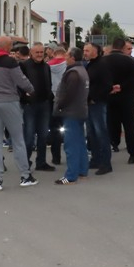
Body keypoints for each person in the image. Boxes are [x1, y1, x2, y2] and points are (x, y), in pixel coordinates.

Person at [0, 35, 38, 191]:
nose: (11, 49)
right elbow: (21, 80)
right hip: (9, 102)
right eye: (11, 46)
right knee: (18, 140)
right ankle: (25, 176)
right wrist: (31, 90)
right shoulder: (10, 62)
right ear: (5, 47)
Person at [53, 47, 89, 185]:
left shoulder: (73, 73)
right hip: (80, 110)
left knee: (71, 144)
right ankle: (82, 169)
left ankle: (71, 175)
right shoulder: (82, 70)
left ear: (73, 57)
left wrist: (60, 105)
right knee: (79, 142)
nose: (65, 58)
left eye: (67, 55)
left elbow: (69, 93)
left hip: (71, 112)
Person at [105, 38, 134, 164]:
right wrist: (123, 87)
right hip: (127, 97)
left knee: (112, 123)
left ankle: (113, 144)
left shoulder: (104, 60)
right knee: (129, 126)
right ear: (122, 48)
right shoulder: (129, 60)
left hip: (110, 97)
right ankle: (133, 154)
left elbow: (100, 78)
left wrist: (110, 88)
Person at [20, 42, 56, 172]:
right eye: (37, 52)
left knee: (43, 136)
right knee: (29, 137)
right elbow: (19, 85)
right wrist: (25, 98)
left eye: (42, 52)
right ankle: (25, 163)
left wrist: (49, 97)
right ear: (31, 53)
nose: (40, 55)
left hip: (44, 104)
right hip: (30, 106)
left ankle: (41, 162)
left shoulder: (46, 67)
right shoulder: (23, 66)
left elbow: (49, 83)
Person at [84, 42, 112, 175]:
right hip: (89, 104)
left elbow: (107, 85)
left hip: (97, 104)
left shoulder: (102, 65)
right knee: (92, 133)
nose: (85, 53)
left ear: (95, 51)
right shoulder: (90, 64)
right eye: (84, 50)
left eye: (87, 51)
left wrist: (95, 97)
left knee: (101, 133)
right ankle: (95, 159)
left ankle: (106, 163)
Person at [47, 47, 67, 165]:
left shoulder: (47, 65)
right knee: (68, 127)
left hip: (52, 99)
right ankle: (69, 155)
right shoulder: (67, 65)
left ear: (54, 54)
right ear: (64, 54)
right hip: (65, 98)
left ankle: (56, 158)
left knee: (54, 129)